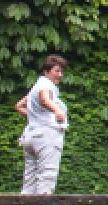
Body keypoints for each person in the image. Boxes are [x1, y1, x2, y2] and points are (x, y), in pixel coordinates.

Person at [15, 55, 69, 195]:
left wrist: (34, 116)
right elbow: (44, 99)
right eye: (56, 71)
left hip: (31, 134)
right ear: (46, 71)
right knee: (47, 175)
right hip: (46, 136)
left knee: (30, 179)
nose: (60, 75)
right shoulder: (46, 85)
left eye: (61, 71)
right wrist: (57, 111)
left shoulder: (36, 86)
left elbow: (19, 106)